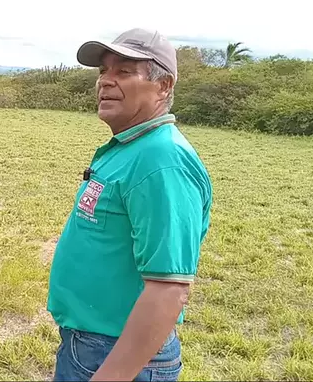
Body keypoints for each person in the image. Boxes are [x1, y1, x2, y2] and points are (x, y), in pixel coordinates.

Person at [47, 28, 213, 382]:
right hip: (92, 345)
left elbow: (168, 289)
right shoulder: (131, 147)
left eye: (124, 71)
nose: (105, 81)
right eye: (103, 71)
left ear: (163, 86)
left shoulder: (162, 161)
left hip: (115, 355)